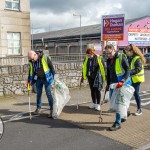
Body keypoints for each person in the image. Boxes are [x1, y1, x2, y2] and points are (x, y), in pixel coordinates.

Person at [105, 44, 131, 131]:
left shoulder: (121, 57)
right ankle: (125, 113)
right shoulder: (109, 60)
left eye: (110, 53)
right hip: (113, 84)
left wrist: (122, 81)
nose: (109, 55)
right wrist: (108, 85)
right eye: (107, 54)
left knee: (118, 103)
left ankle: (117, 122)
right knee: (115, 103)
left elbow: (128, 70)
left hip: (121, 84)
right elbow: (108, 73)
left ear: (114, 50)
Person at [27, 50, 55, 118]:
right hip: (38, 79)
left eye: (32, 59)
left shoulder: (44, 57)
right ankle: (38, 108)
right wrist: (28, 82)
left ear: (35, 55)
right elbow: (31, 72)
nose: (32, 60)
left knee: (48, 94)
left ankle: (52, 109)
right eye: (30, 59)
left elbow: (51, 67)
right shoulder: (31, 62)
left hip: (46, 79)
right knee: (38, 94)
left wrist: (54, 77)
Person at [124, 44, 146, 116]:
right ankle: (126, 110)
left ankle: (139, 109)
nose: (126, 53)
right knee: (128, 94)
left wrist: (129, 72)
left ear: (131, 51)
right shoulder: (130, 57)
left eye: (127, 51)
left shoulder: (137, 58)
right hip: (131, 79)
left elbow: (138, 69)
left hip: (136, 79)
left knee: (136, 94)